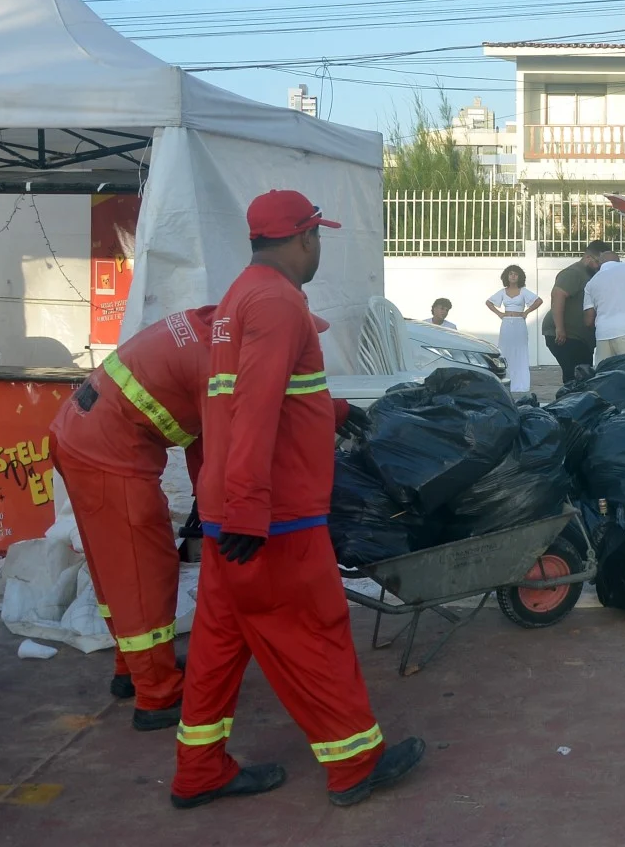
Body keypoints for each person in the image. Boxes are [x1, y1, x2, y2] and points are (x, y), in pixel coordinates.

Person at [172, 190, 424, 810]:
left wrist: (330, 413)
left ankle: (199, 769)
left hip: (231, 507)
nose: (319, 249)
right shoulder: (280, 303)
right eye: (318, 236)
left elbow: (250, 400)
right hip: (274, 513)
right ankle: (355, 765)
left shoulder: (237, 299)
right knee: (315, 630)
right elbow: (255, 409)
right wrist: (253, 508)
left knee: (219, 644)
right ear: (302, 237)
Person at [49, 305, 218, 732]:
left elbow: (202, 438)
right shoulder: (217, 364)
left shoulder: (206, 327)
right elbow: (218, 447)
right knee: (144, 575)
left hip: (79, 434)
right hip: (108, 456)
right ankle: (157, 694)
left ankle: (133, 668)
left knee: (118, 571)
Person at [542, 241, 607, 384]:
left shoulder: (591, 274)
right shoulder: (574, 273)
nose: (600, 266)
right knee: (576, 377)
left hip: (580, 338)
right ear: (588, 257)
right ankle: (568, 404)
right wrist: (560, 329)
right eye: (598, 262)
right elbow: (557, 295)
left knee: (584, 375)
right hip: (565, 335)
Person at [485, 265, 541, 393]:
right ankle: (505, 380)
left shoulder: (524, 291)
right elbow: (488, 302)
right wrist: (499, 314)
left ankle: (520, 383)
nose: (513, 276)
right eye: (511, 274)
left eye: (516, 274)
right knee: (505, 350)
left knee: (520, 351)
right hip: (506, 325)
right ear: (507, 276)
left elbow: (538, 301)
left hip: (519, 324)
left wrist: (526, 312)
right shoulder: (502, 292)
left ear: (520, 276)